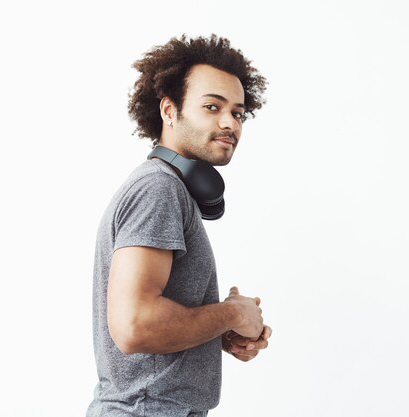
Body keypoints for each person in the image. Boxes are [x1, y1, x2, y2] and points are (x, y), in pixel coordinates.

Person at [86, 34, 272, 417]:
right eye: (211, 106)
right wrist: (232, 314)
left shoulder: (168, 190)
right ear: (169, 111)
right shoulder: (159, 189)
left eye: (237, 112)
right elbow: (135, 326)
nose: (229, 123)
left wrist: (218, 334)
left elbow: (152, 325)